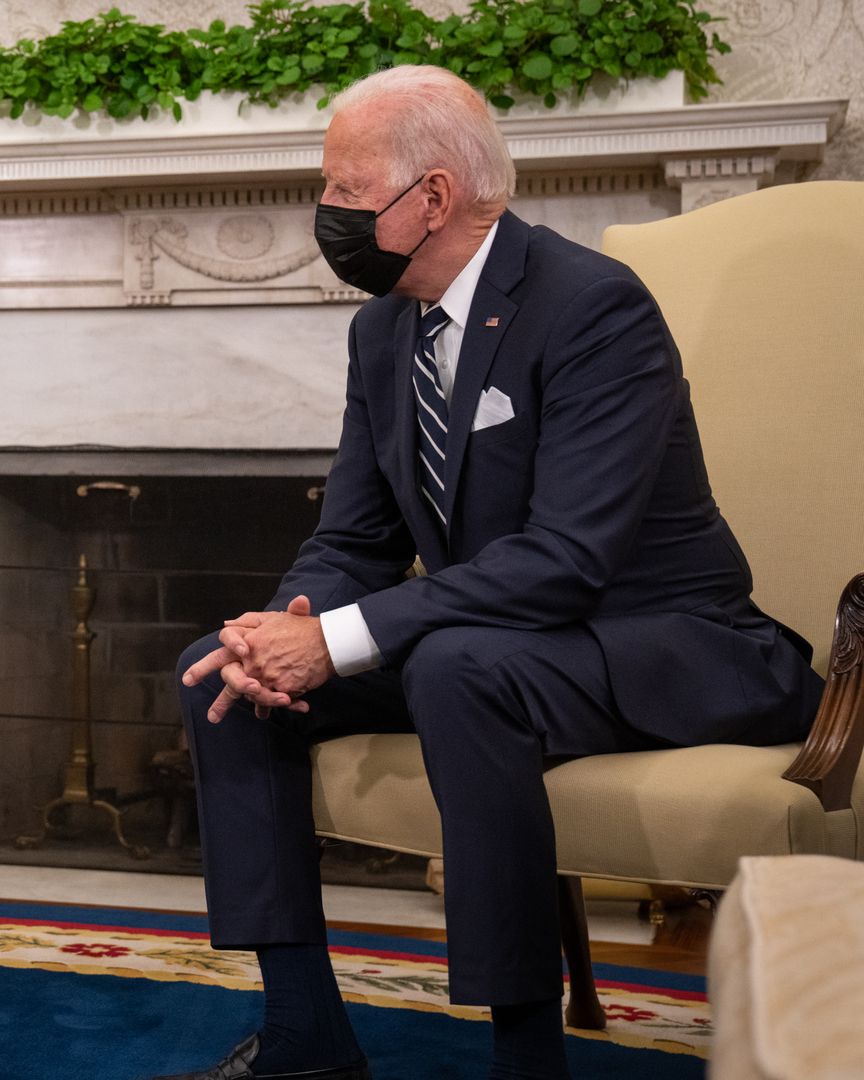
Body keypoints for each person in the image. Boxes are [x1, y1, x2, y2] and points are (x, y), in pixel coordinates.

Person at [164, 66, 821, 1080]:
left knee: (457, 668)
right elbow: (353, 539)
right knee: (221, 671)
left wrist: (337, 641)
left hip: (660, 639)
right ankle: (303, 1034)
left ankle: (526, 1058)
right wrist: (284, 629)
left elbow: (568, 559)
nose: (324, 213)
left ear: (432, 196)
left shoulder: (595, 308)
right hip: (502, 639)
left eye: (345, 189)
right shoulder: (382, 330)